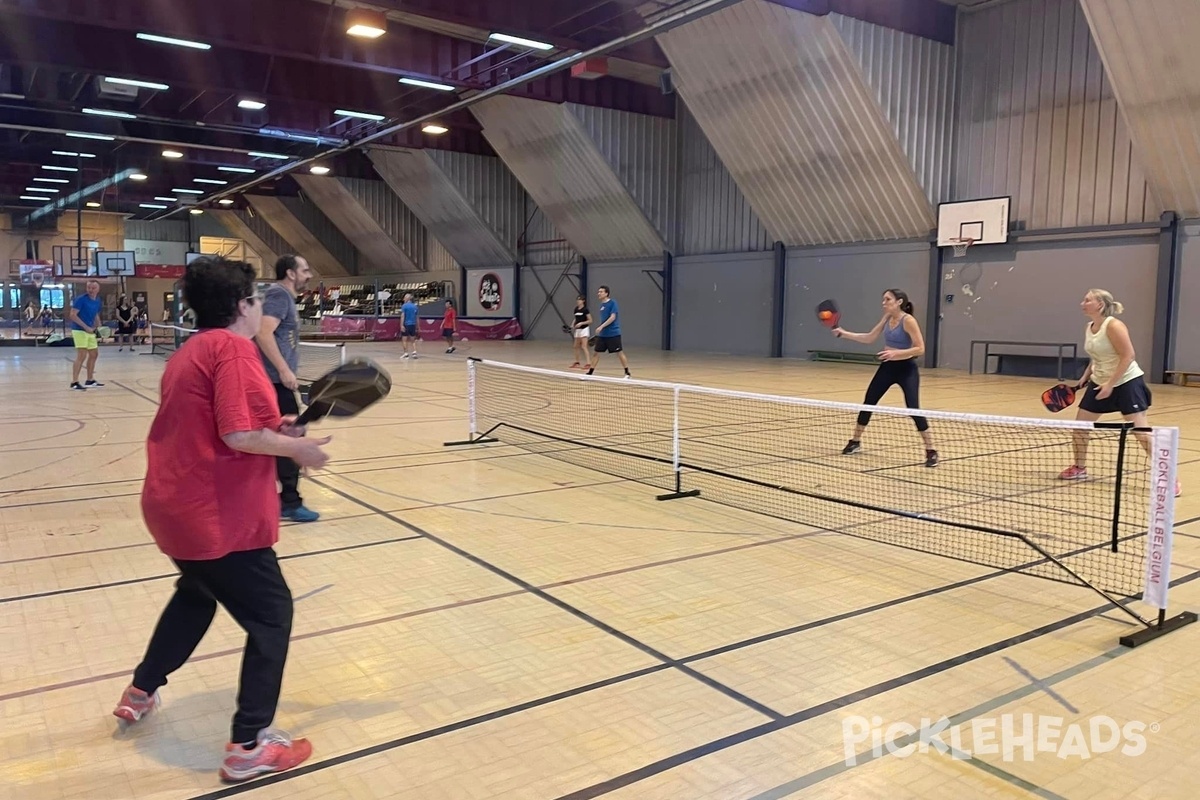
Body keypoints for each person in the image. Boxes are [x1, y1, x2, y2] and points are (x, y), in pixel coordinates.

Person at [112, 256, 328, 782]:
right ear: (241, 307)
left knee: (197, 593)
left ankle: (141, 690)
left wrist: (281, 427)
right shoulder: (233, 349)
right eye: (255, 299)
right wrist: (296, 453)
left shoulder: (192, 350)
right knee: (272, 616)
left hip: (172, 510)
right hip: (216, 517)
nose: (259, 307)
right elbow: (236, 436)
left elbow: (232, 423)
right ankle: (248, 746)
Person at [1060, 289, 1180, 496]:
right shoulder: (1089, 327)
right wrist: (1085, 376)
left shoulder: (1114, 325)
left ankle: (1169, 477)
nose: (1083, 303)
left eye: (1087, 300)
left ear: (1100, 304)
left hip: (1126, 382)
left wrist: (1110, 384)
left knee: (1141, 432)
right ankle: (1079, 468)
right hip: (1099, 381)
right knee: (1079, 428)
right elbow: (1096, 356)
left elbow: (1128, 355)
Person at [832, 289, 938, 467]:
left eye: (887, 299)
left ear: (899, 301)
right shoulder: (887, 318)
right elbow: (869, 337)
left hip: (907, 369)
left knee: (914, 409)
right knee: (868, 402)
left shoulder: (908, 321)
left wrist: (897, 353)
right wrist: (844, 333)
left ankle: (931, 450)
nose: (884, 303)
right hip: (888, 367)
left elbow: (920, 349)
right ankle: (855, 441)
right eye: (883, 299)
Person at [256, 255, 321, 523]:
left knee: (282, 438)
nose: (308, 275)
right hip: (274, 381)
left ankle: (278, 497)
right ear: (291, 273)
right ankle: (290, 502)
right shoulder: (278, 294)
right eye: (305, 270)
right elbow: (263, 332)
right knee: (290, 438)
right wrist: (283, 370)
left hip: (277, 380)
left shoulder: (285, 297)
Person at [586, 285, 630, 378]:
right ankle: (590, 373)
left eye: (601, 292)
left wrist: (601, 326)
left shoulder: (613, 303)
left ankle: (627, 373)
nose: (599, 293)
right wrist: (601, 329)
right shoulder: (602, 305)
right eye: (598, 292)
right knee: (596, 353)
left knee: (619, 353)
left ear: (606, 293)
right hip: (603, 335)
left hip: (613, 333)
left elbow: (612, 317)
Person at [68, 280, 104, 391]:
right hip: (79, 330)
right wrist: (85, 327)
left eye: (93, 288)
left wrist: (99, 325)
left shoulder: (97, 301)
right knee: (82, 355)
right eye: (89, 288)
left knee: (94, 354)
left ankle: (90, 380)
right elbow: (73, 315)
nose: (91, 290)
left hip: (90, 330)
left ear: (98, 289)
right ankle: (74, 382)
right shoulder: (81, 300)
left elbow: (95, 314)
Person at [570, 295, 592, 369]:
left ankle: (588, 363)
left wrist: (581, 323)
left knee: (584, 346)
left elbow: (590, 320)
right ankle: (577, 362)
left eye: (579, 300)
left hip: (584, 329)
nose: (578, 301)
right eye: (577, 300)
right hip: (578, 330)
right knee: (575, 346)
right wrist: (573, 324)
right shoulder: (576, 309)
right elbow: (576, 318)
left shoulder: (585, 310)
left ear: (583, 301)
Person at [401, 293, 419, 359]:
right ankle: (414, 352)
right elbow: (417, 318)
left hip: (406, 324)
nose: (403, 299)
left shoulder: (404, 306)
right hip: (413, 325)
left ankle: (406, 353)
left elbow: (403, 316)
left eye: (404, 298)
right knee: (413, 340)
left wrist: (401, 325)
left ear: (407, 298)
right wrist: (418, 327)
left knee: (404, 340)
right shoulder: (415, 306)